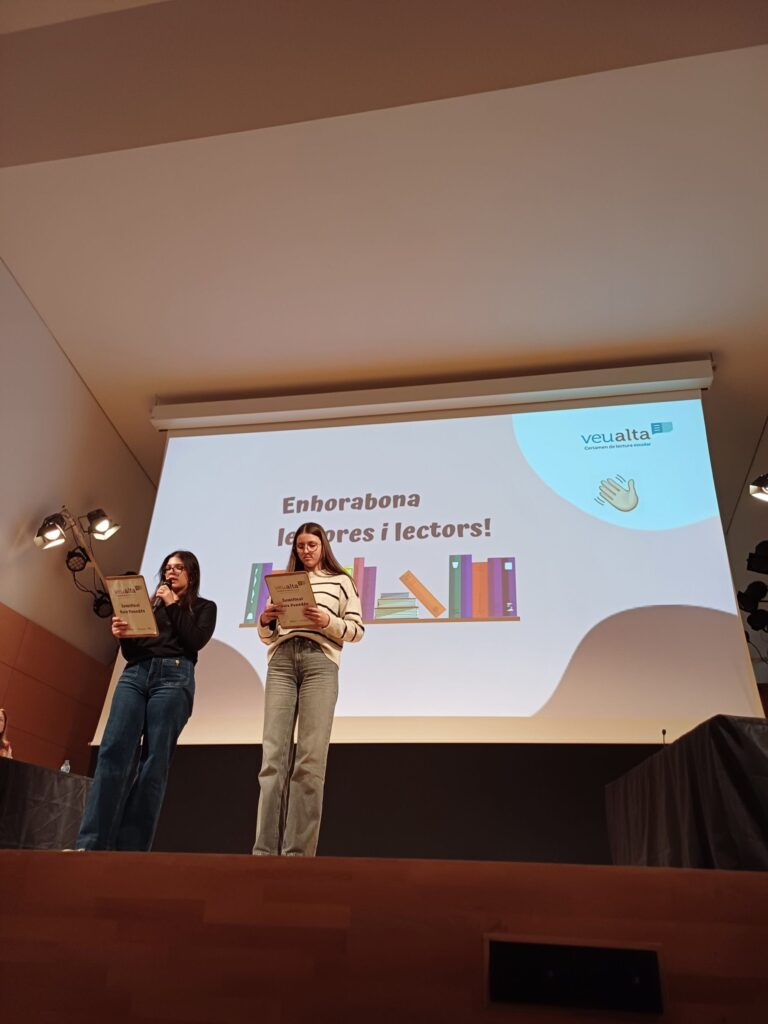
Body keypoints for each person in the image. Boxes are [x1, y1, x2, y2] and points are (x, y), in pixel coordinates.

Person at [77, 551, 216, 851]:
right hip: (135, 674)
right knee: (112, 754)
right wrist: (123, 635)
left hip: (174, 675)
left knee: (153, 763)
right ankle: (91, 844)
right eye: (167, 568)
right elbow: (132, 651)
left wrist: (173, 604)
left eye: (178, 568)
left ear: (191, 574)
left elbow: (194, 641)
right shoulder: (150, 606)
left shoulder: (203, 607)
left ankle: (130, 850)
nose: (171, 572)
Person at [253, 522, 364, 856]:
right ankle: (263, 853)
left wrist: (327, 621)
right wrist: (265, 620)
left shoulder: (341, 581)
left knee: (310, 760)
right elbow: (268, 636)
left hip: (320, 661)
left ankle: (298, 855)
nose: (306, 551)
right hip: (282, 660)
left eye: (312, 545)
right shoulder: (285, 582)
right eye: (300, 546)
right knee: (272, 759)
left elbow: (357, 630)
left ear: (323, 546)